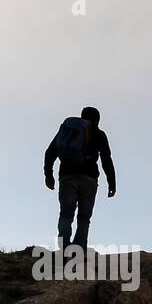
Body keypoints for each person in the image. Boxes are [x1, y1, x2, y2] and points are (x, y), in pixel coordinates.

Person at [44, 106, 115, 252]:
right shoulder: (99, 134)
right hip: (89, 179)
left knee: (66, 213)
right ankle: (78, 250)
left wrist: (48, 175)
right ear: (97, 120)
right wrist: (111, 182)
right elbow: (106, 159)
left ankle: (64, 247)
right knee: (84, 217)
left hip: (67, 176)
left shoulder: (68, 131)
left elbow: (50, 152)